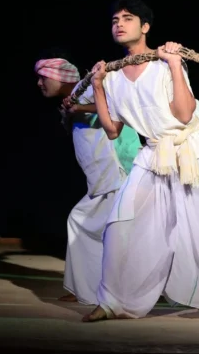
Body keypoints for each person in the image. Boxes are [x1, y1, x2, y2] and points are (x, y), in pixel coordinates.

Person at [83, 0, 199, 321]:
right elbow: (112, 130)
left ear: (145, 27)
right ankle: (112, 301)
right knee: (119, 224)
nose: (119, 24)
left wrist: (175, 64)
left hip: (191, 149)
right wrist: (97, 85)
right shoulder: (112, 76)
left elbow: (183, 114)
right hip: (154, 152)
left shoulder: (164, 63)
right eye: (115, 20)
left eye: (127, 18)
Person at [34, 50, 142, 305]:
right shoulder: (76, 96)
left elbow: (117, 107)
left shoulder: (89, 88)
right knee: (95, 227)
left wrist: (80, 107)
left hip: (116, 172)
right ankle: (92, 288)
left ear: (59, 77)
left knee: (85, 223)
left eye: (43, 77)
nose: (39, 83)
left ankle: (93, 290)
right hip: (102, 178)